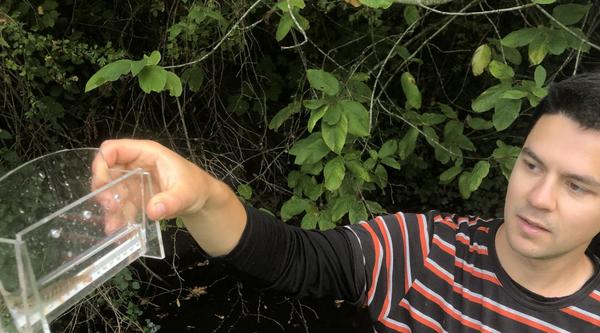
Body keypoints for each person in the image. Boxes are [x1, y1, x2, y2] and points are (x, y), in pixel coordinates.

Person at [94, 73, 600, 332]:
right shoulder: (426, 250)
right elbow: (293, 258)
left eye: (577, 186)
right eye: (532, 165)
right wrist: (203, 197)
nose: (538, 198)